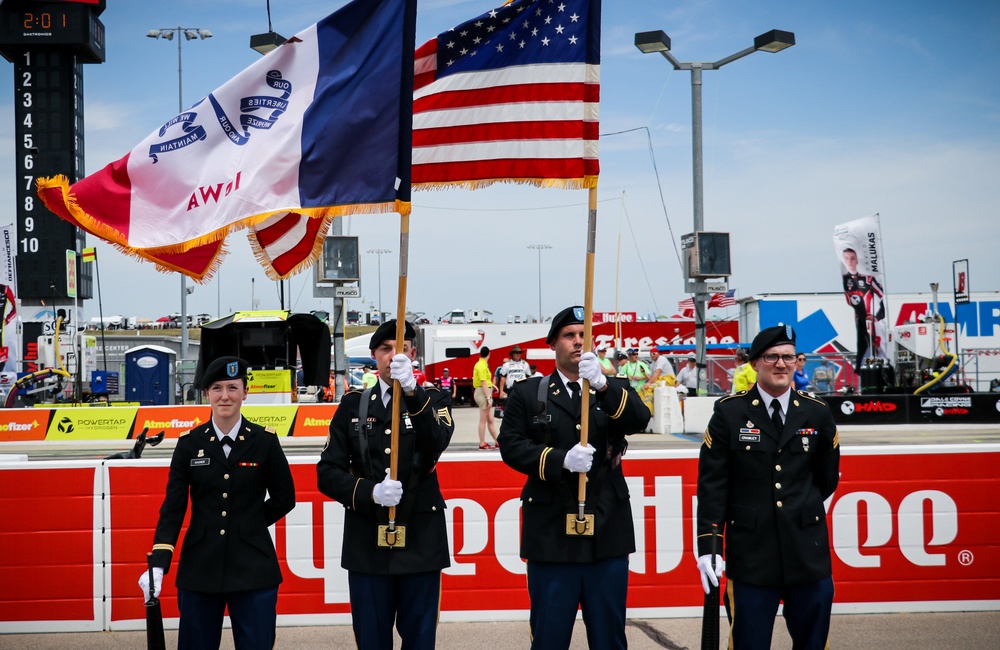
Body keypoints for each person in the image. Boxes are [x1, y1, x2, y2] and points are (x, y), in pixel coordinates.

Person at [498, 306, 651, 650]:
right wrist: (559, 460)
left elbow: (640, 419)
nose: (578, 342)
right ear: (553, 344)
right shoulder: (528, 393)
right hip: (551, 535)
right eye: (569, 335)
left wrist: (602, 384)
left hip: (607, 529)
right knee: (549, 637)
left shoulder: (612, 388)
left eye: (584, 335)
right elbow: (510, 445)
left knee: (609, 638)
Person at [696, 325, 840, 650]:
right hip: (752, 557)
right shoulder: (729, 413)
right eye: (772, 357)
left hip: (807, 553)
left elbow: (826, 479)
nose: (781, 364)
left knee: (813, 643)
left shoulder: (816, 413)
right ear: (755, 364)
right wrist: (709, 545)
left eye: (788, 357)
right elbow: (712, 487)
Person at [139, 356, 296, 649]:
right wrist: (159, 563)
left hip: (253, 568)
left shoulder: (264, 441)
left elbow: (285, 498)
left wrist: (248, 524)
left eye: (233, 388)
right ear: (206, 394)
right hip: (200, 567)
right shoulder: (189, 443)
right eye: (217, 388)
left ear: (245, 392)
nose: (225, 396)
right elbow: (174, 508)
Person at [317, 320, 454, 650]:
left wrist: (412, 391)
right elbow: (327, 472)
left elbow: (437, 439)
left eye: (402, 348)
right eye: (385, 349)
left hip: (421, 541)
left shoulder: (433, 399)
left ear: (414, 354)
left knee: (420, 640)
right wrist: (369, 492)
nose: (394, 356)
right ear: (373, 356)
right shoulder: (353, 405)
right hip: (368, 545)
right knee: (371, 640)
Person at [841, 247, 887, 369]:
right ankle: (861, 372)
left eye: (852, 258)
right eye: (846, 259)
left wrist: (878, 316)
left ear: (857, 260)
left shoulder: (868, 279)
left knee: (875, 347)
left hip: (871, 321)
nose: (850, 261)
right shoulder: (845, 279)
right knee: (861, 348)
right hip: (859, 320)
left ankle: (881, 369)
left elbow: (882, 298)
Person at [473, 346, 500, 449]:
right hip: (483, 393)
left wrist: (491, 386)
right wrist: (489, 398)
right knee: (483, 419)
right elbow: (483, 382)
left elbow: (481, 380)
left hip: (482, 391)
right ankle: (482, 442)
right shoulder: (482, 366)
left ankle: (497, 441)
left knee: (490, 419)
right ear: (489, 353)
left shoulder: (480, 364)